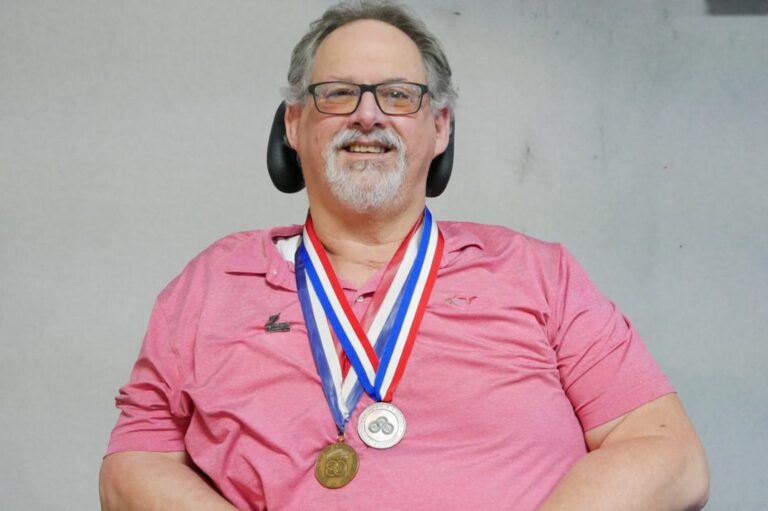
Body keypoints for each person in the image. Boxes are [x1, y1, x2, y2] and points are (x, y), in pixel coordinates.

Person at [99, 2, 709, 510]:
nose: (368, 116)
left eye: (398, 95)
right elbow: (132, 467)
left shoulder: (539, 273)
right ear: (293, 124)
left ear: (440, 127)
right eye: (338, 94)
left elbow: (668, 454)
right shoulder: (212, 283)